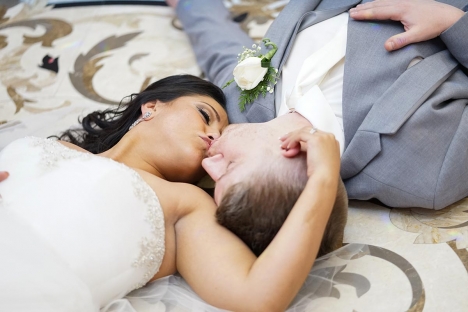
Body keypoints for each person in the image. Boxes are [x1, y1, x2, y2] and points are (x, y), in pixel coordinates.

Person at [0, 74, 342, 312]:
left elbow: (258, 296)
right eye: (206, 116)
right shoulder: (53, 147)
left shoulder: (186, 205)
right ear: (151, 107)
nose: (213, 137)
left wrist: (323, 178)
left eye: (221, 135)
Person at [167, 0, 468, 221]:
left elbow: (222, 51)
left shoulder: (236, 112)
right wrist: (452, 23)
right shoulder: (425, 174)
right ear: (288, 151)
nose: (208, 166)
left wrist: (189, 5)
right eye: (227, 172)